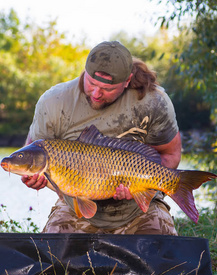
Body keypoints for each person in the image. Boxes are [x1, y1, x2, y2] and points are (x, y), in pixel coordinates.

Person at [21, 41, 181, 235]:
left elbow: (171, 155)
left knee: (164, 256)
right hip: (75, 208)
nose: (96, 94)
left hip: (136, 210)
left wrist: (139, 187)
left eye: (107, 89)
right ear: (85, 71)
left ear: (127, 81)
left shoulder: (153, 101)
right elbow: (32, 150)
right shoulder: (53, 101)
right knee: (52, 257)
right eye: (92, 83)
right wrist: (34, 178)